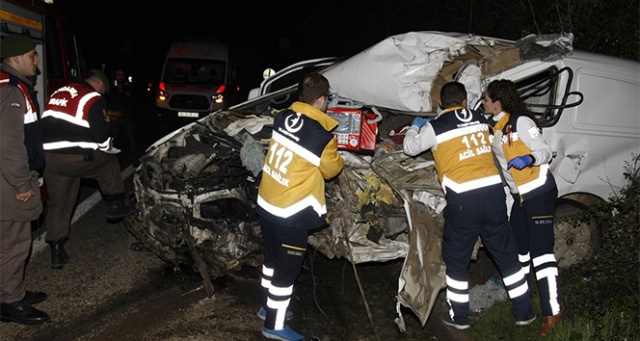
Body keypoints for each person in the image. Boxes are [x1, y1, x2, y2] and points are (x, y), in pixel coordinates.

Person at [403, 81, 535, 329]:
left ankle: (459, 317)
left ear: (441, 103)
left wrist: (414, 128)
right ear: (465, 102)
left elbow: (410, 149)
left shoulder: (435, 126)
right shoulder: (481, 120)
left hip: (464, 202)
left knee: (456, 260)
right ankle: (524, 313)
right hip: (494, 196)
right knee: (507, 257)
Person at [255, 73, 344, 341]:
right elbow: (331, 171)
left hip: (267, 202)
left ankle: (266, 308)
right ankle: (275, 325)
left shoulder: (282, 117)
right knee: (287, 271)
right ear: (320, 100)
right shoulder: (321, 137)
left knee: (270, 263)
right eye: (327, 99)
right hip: (291, 214)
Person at [483, 79, 563, 336]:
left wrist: (529, 157)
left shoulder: (521, 122)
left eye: (486, 99)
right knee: (519, 253)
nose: (483, 103)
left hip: (539, 193)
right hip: (520, 198)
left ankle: (552, 311)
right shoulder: (493, 127)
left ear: (497, 103)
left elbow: (545, 151)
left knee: (541, 254)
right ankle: (521, 300)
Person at [40, 69, 136, 270]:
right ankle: (116, 204)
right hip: (76, 156)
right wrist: (106, 147)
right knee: (109, 162)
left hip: (50, 159)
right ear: (99, 84)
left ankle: (57, 251)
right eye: (103, 91)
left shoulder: (60, 92)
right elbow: (101, 134)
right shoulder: (92, 97)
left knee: (59, 202)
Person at [0, 34, 50, 324]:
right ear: (16, 58)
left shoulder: (10, 86)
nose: (37, 60)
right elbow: (9, 144)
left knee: (9, 240)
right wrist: (21, 183)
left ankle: (11, 289)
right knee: (14, 242)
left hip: (7, 178)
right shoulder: (11, 92)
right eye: (33, 54)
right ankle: (10, 302)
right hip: (9, 182)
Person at [106, 68, 138, 166]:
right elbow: (108, 98)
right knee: (114, 141)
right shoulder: (111, 87)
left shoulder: (127, 86)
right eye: (118, 75)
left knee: (130, 140)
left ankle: (135, 159)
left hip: (126, 118)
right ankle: (112, 161)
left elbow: (131, 98)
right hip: (114, 118)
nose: (120, 77)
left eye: (121, 75)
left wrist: (123, 90)